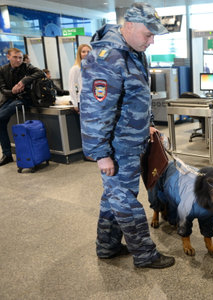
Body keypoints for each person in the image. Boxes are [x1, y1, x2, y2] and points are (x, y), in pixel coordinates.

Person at [80, 2, 175, 269]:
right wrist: (101, 155)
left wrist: (148, 124)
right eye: (149, 34)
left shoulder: (133, 52)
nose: (152, 41)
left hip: (131, 142)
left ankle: (107, 246)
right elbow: (95, 111)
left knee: (113, 196)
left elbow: (136, 97)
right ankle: (145, 255)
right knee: (125, 200)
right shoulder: (108, 57)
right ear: (129, 26)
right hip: (116, 148)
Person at [0, 48, 45, 166]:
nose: (18, 60)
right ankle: (7, 154)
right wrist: (13, 91)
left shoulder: (27, 67)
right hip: (10, 98)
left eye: (20, 57)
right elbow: (3, 89)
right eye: (15, 57)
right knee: (0, 122)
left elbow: (41, 73)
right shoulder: (2, 69)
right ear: (8, 57)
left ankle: (7, 154)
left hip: (24, 99)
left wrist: (24, 81)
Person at [68, 43, 92, 112]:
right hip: (83, 102)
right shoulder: (75, 68)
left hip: (93, 102)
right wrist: (75, 104)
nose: (86, 53)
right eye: (83, 52)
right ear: (79, 54)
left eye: (88, 52)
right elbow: (71, 87)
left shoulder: (93, 68)